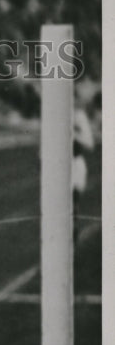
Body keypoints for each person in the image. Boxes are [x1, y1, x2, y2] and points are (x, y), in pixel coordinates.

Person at [72, 98, 94, 243]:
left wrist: (73, 133)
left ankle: (72, 234)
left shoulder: (78, 116)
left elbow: (89, 144)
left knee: (73, 203)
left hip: (75, 164)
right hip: (56, 166)